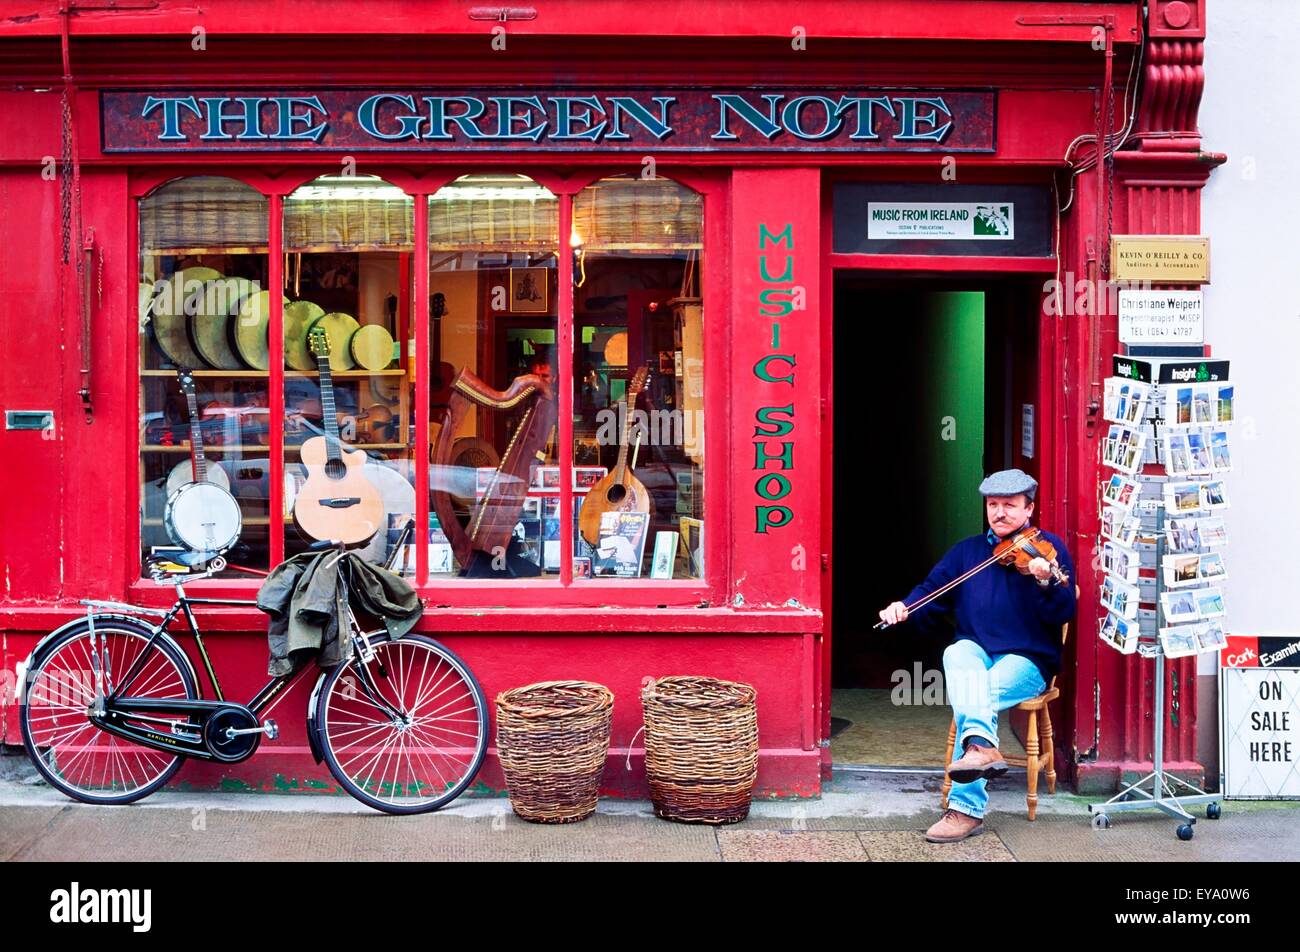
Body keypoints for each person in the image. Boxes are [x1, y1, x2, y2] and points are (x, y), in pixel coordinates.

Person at [877, 469, 1077, 844]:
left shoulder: (1048, 550)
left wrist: (1045, 581)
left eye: (1010, 506)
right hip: (977, 650)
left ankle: (964, 809)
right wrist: (904, 607)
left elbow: (1063, 613)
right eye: (993, 505)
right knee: (957, 653)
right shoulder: (967, 552)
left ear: (1029, 508)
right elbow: (931, 592)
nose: (1000, 513)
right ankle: (983, 749)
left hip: (1028, 659)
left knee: (974, 695)